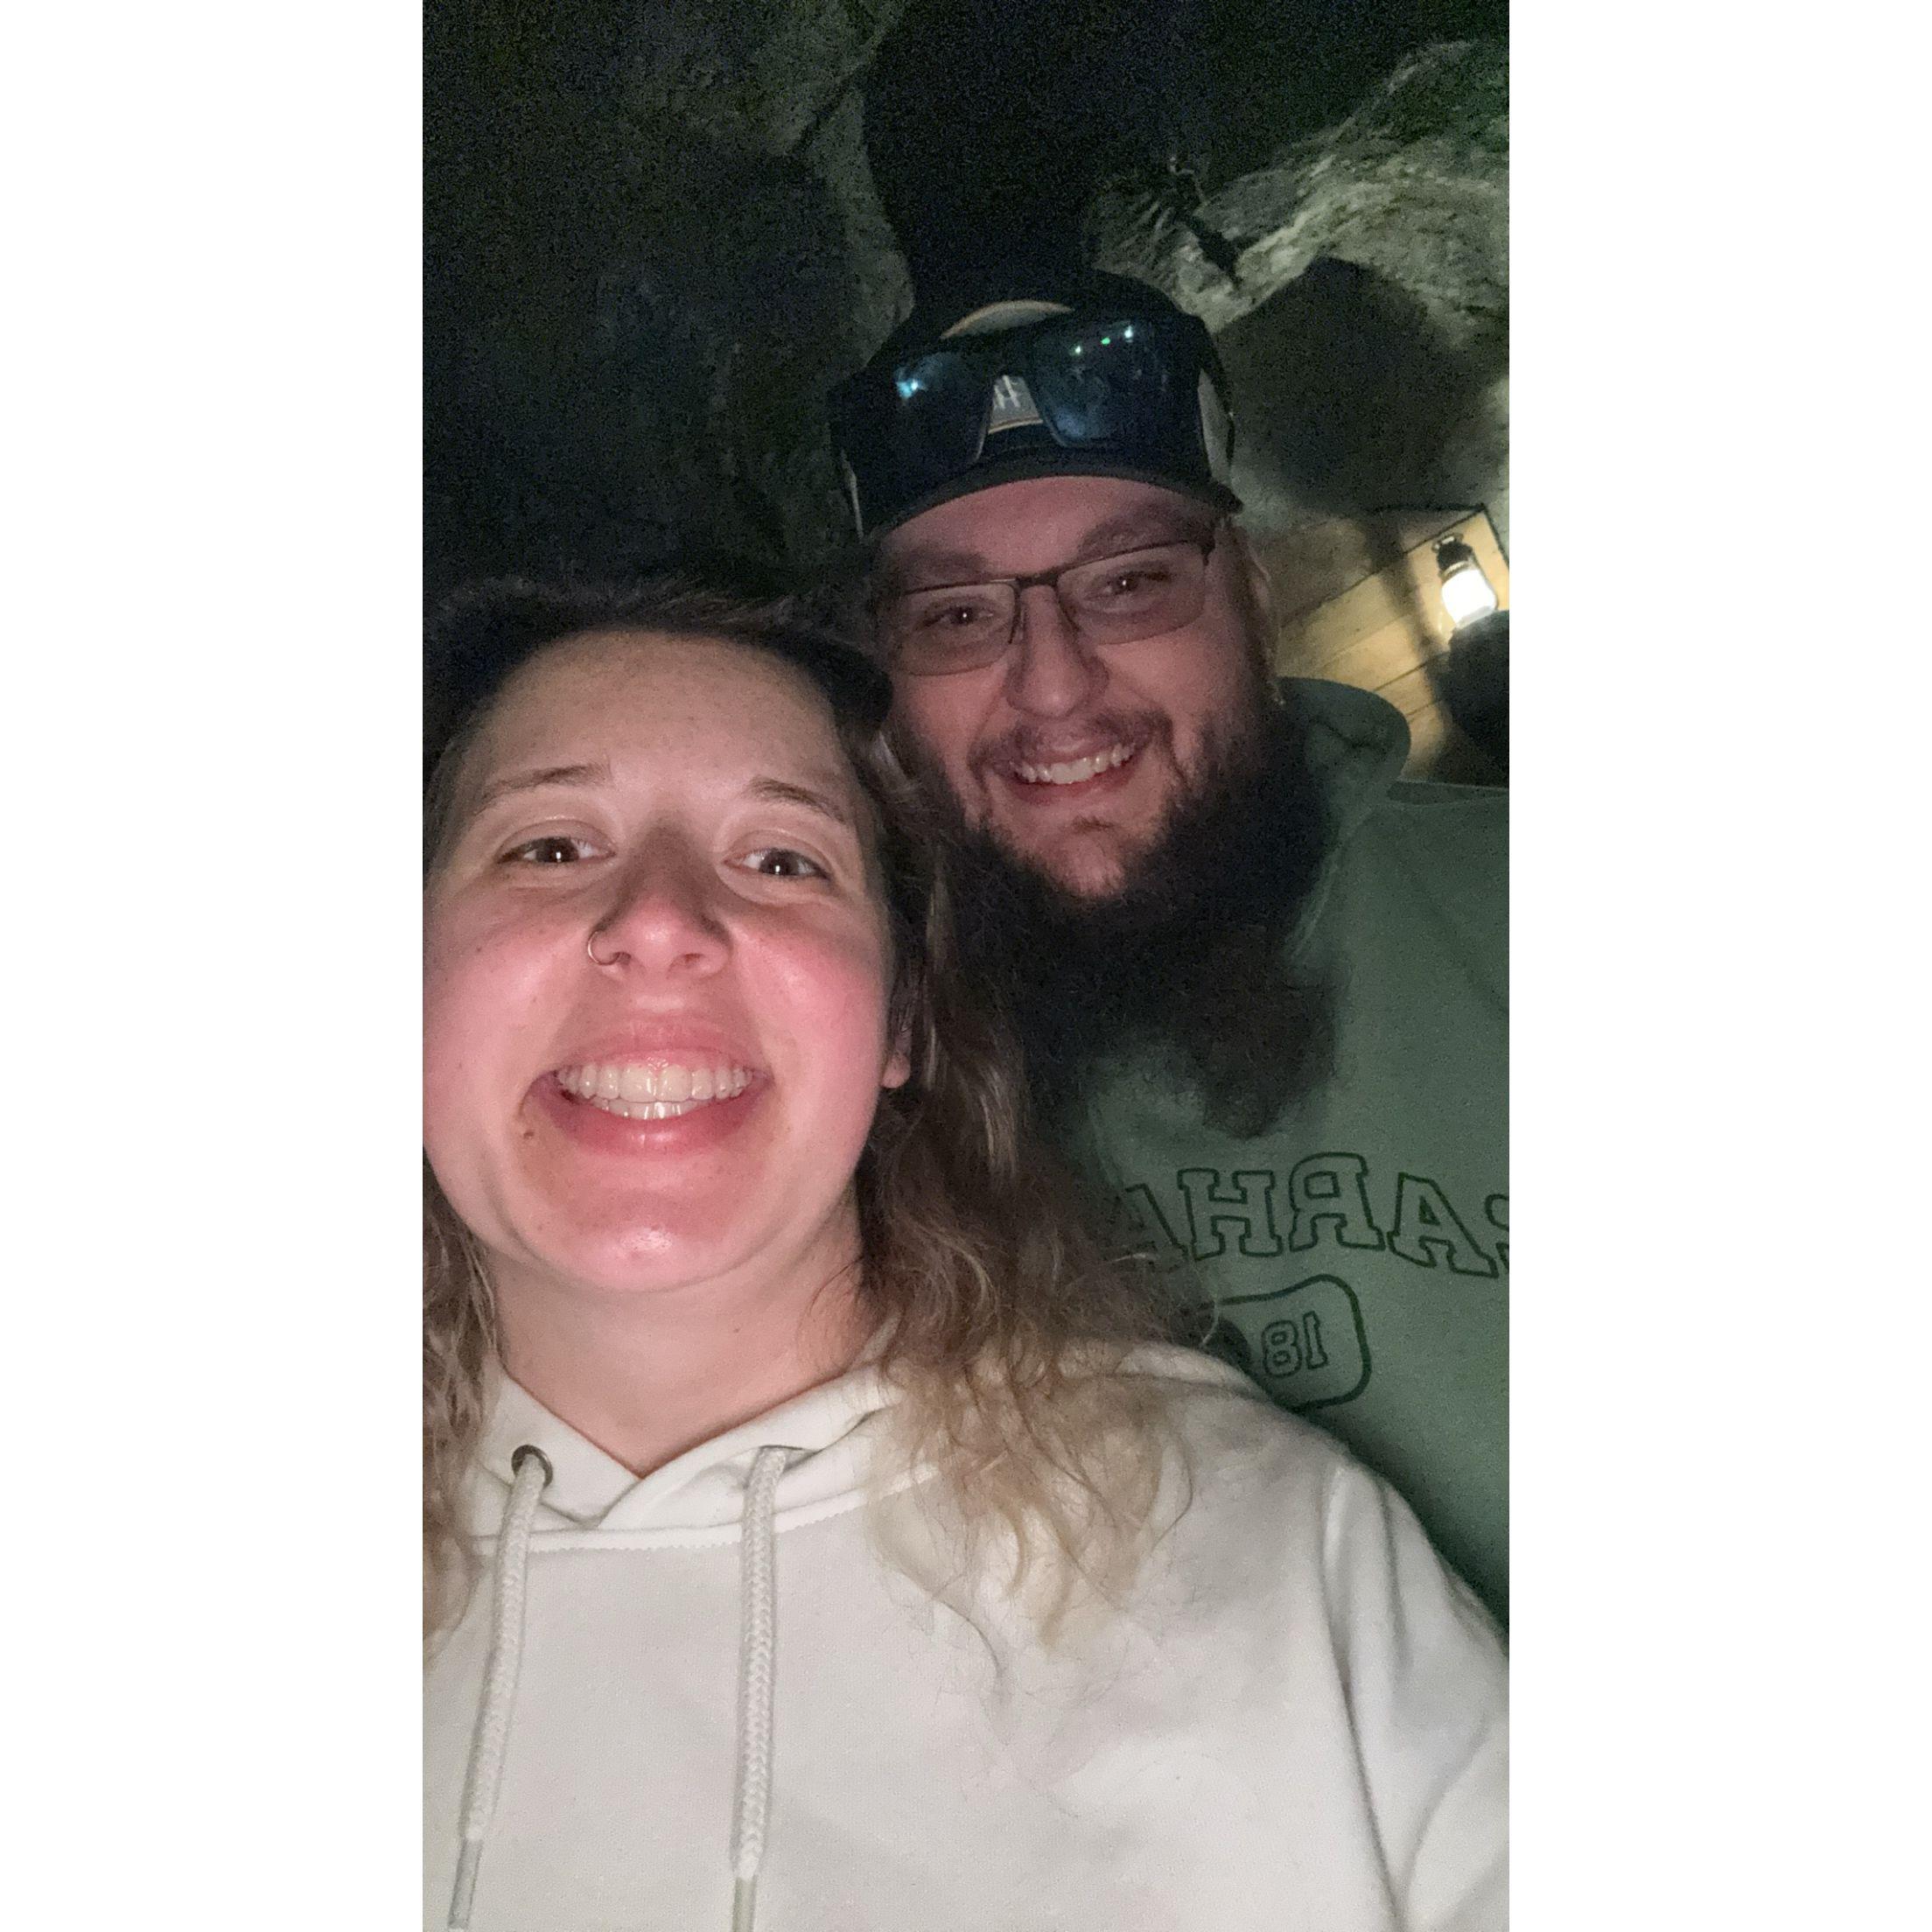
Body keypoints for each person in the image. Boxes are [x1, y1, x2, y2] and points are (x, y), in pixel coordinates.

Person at [421, 571, 1506, 1930]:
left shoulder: (1280, 1559)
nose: (659, 921)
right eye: (549, 846)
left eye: (782, 859)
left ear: (900, 1023)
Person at [829, 271, 1509, 1620]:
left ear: (1250, 599)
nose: (1054, 683)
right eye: (958, 615)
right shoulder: (828, 1078)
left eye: (1131, 583)